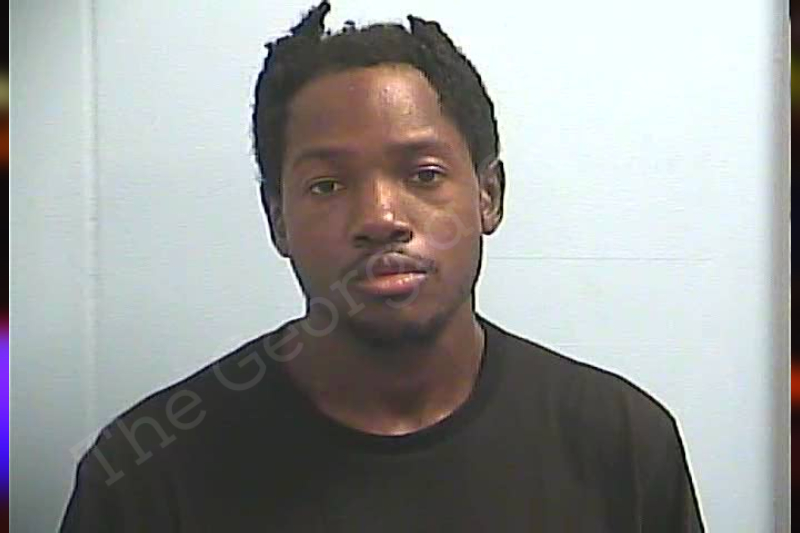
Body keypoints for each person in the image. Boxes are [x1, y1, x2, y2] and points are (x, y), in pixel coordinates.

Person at [60, 2, 705, 531]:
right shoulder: (146, 475)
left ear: (489, 195)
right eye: (327, 185)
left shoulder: (621, 445)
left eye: (424, 175)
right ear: (277, 219)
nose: (380, 216)